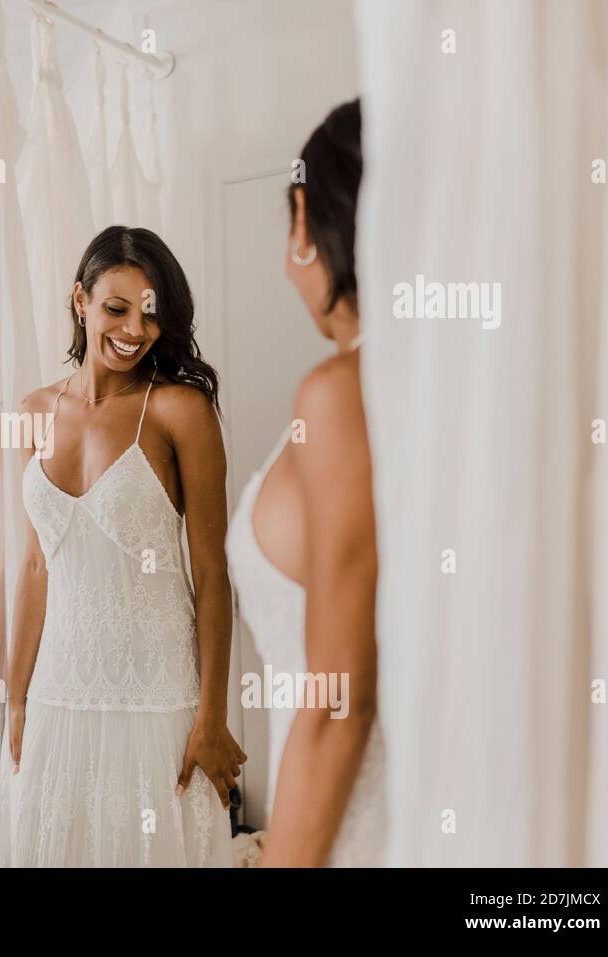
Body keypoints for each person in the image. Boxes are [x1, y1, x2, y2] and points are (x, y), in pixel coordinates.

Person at [0, 225, 244, 867]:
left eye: (151, 314)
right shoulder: (32, 412)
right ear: (80, 301)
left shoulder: (178, 410)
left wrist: (213, 717)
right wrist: (16, 696)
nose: (134, 329)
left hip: (158, 700)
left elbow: (213, 575)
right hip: (59, 695)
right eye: (116, 308)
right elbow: (34, 565)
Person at [225, 98, 386, 866]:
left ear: (304, 219)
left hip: (349, 826)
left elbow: (340, 703)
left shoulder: (342, 394)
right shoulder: (457, 397)